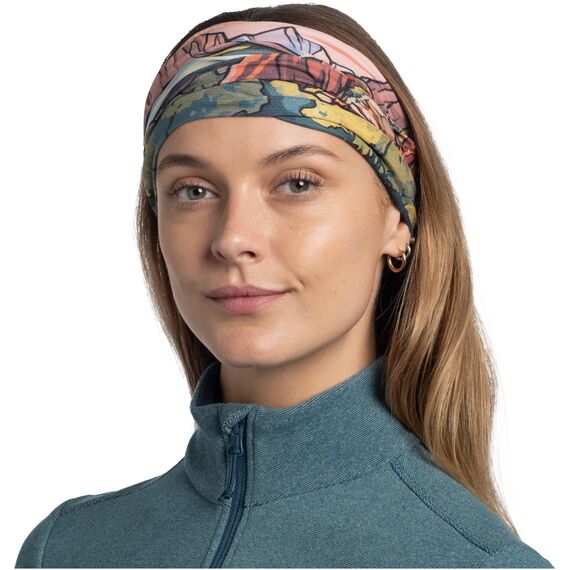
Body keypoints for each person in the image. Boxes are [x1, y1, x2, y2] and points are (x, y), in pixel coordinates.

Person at [15, 4, 553, 568]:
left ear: (398, 220)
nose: (233, 238)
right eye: (193, 191)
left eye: (297, 183)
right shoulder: (66, 550)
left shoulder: (476, 561)